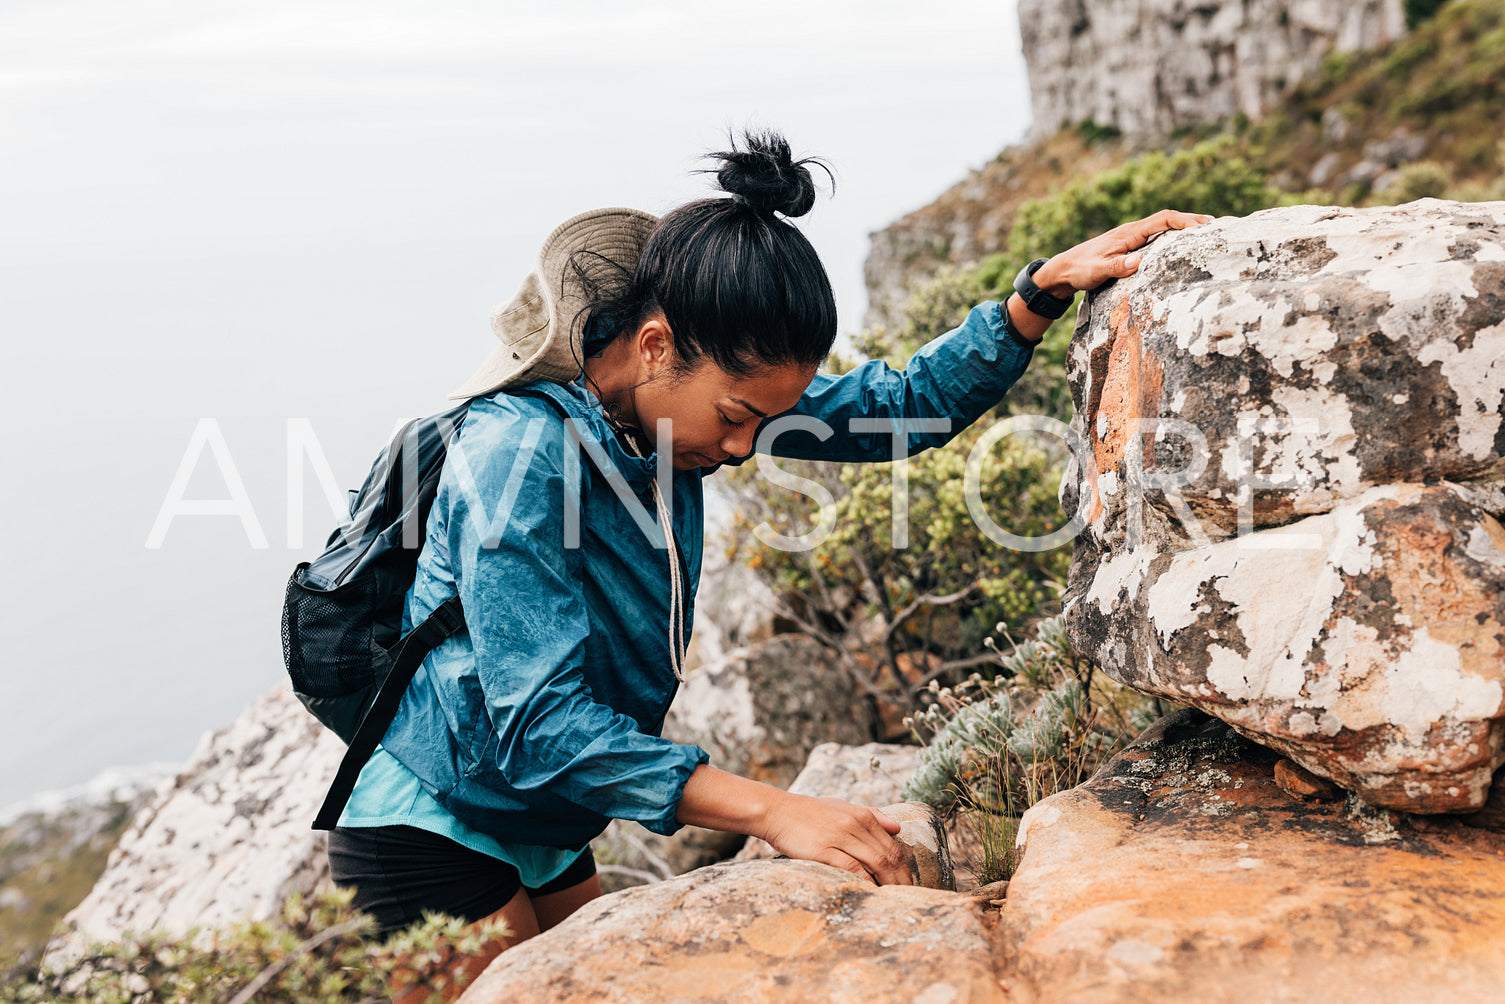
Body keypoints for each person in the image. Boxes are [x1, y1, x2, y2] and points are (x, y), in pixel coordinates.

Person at [325, 129, 1209, 997]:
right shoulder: (517, 455)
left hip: (540, 814)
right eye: (738, 415)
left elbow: (897, 407)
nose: (746, 447)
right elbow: (537, 725)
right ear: (656, 344)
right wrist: (777, 810)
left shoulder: (672, 410)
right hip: (433, 815)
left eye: (766, 419)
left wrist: (1034, 296)